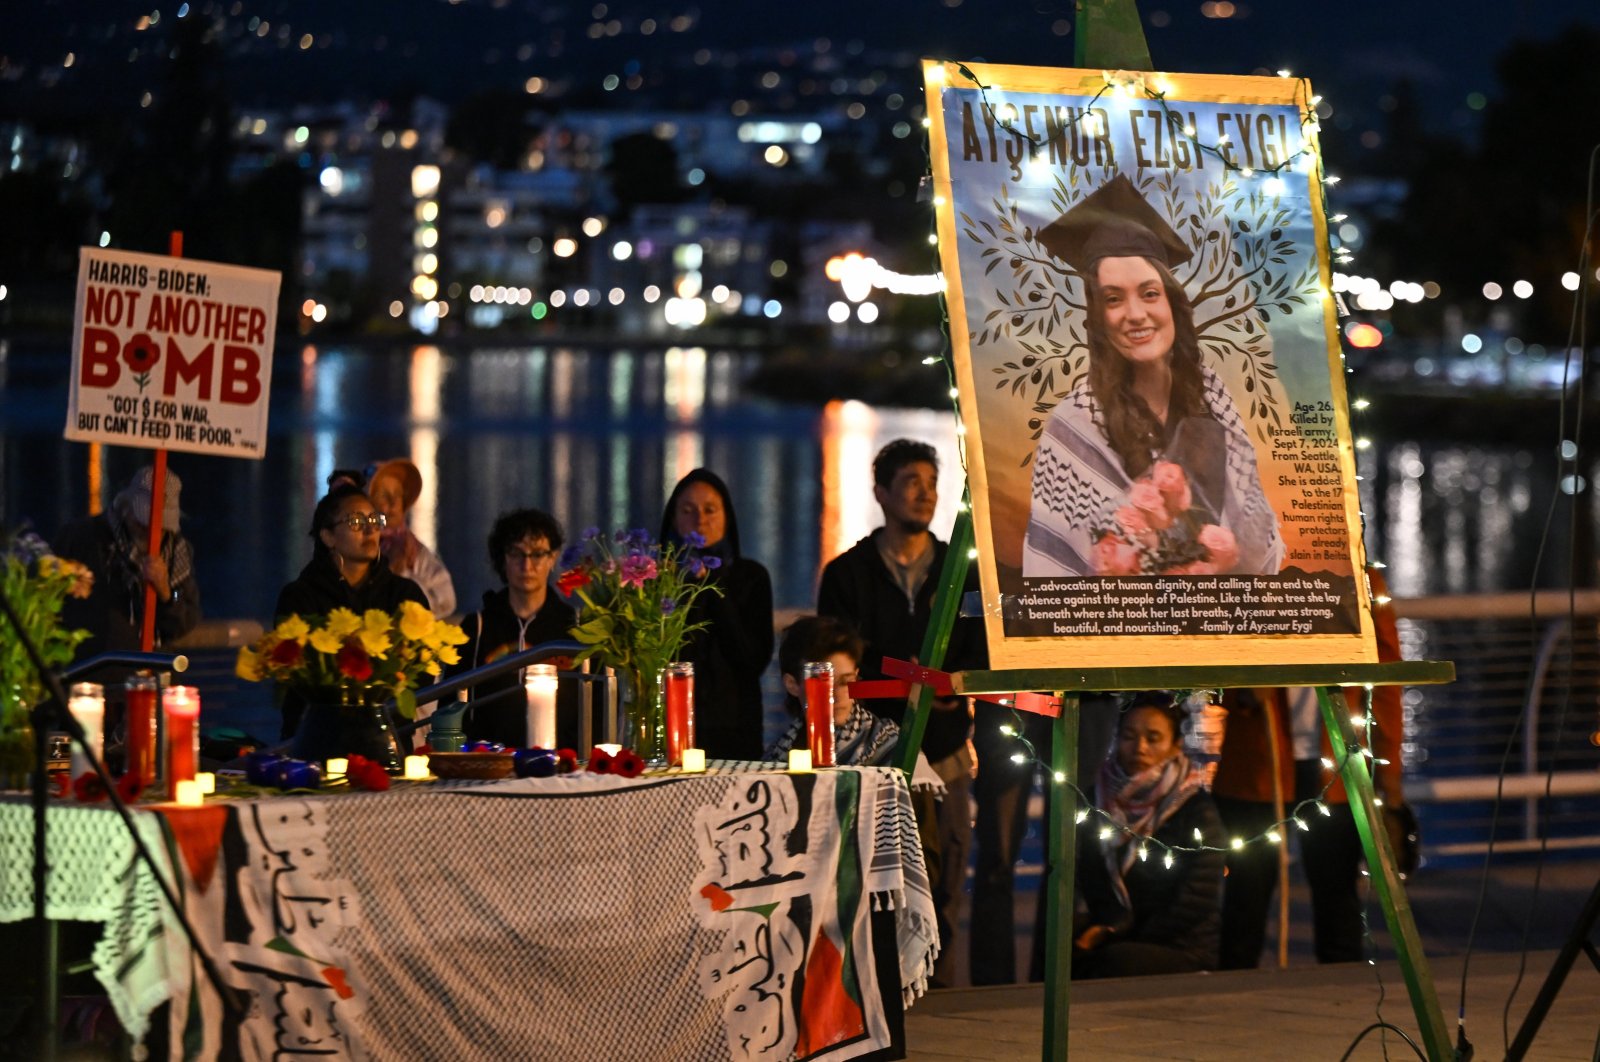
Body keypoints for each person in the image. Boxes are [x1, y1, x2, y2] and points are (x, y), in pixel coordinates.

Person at [1022, 173, 1283, 577]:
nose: (1136, 315)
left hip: (1218, 631)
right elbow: (1053, 573)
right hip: (1117, 635)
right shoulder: (1074, 425)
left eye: (1149, 293)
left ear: (1172, 304)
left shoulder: (1213, 401)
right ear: (1098, 318)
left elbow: (1258, 546)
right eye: (1113, 299)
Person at [817, 438, 986, 988]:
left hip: (946, 752)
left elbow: (981, 647)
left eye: (932, 484)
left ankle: (942, 998)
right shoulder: (849, 574)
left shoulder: (961, 573)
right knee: (873, 882)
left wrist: (950, 682)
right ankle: (872, 992)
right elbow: (837, 658)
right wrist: (898, 677)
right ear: (882, 493)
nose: (925, 494)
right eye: (911, 482)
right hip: (875, 755)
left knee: (946, 882)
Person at [1213, 567, 1409, 966]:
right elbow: (1200, 656)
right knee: (1245, 902)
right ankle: (1233, 1007)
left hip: (1335, 767)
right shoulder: (1246, 570)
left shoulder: (1360, 577)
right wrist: (1241, 689)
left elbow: (1386, 677)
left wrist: (1390, 777)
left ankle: (1341, 998)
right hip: (1256, 767)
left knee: (1338, 898)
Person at [1073, 692, 1226, 978]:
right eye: (1129, 736)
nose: (1139, 747)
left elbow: (1195, 900)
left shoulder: (1193, 807)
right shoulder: (1100, 799)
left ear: (1174, 746)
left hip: (1180, 946)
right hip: (1119, 932)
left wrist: (1118, 933)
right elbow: (1092, 879)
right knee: (1063, 943)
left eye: (1153, 738)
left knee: (1115, 961)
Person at [274, 482, 427, 737]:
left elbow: (419, 674)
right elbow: (295, 675)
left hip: (386, 740)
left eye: (374, 520)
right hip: (315, 739)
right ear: (328, 536)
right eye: (356, 521)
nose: (369, 529)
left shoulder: (405, 596)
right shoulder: (300, 596)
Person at [658, 468, 774, 760]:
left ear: (727, 517)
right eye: (688, 510)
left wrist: (711, 582)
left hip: (735, 728)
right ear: (673, 518)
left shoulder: (752, 577)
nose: (700, 519)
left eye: (710, 510)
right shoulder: (657, 579)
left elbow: (752, 659)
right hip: (669, 727)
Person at [452, 508, 577, 747]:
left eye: (537, 554)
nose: (526, 565)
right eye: (516, 553)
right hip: (487, 765)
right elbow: (451, 705)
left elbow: (596, 707)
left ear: (553, 558)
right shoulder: (477, 628)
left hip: (565, 766)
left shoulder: (575, 626)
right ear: (502, 559)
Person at [54, 465, 201, 663]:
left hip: (151, 672)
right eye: (143, 520)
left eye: (159, 524)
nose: (150, 530)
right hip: (89, 672)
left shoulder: (177, 552)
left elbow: (183, 607)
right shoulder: (81, 536)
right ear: (126, 506)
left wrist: (167, 592)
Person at [765, 615, 898, 767]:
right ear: (792, 685)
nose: (836, 696)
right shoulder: (778, 756)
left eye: (845, 681)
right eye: (823, 685)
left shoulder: (891, 745)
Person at [364, 457, 457, 617]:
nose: (393, 503)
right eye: (384, 495)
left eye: (398, 495)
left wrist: (403, 573)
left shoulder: (414, 551)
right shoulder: (356, 545)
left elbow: (446, 602)